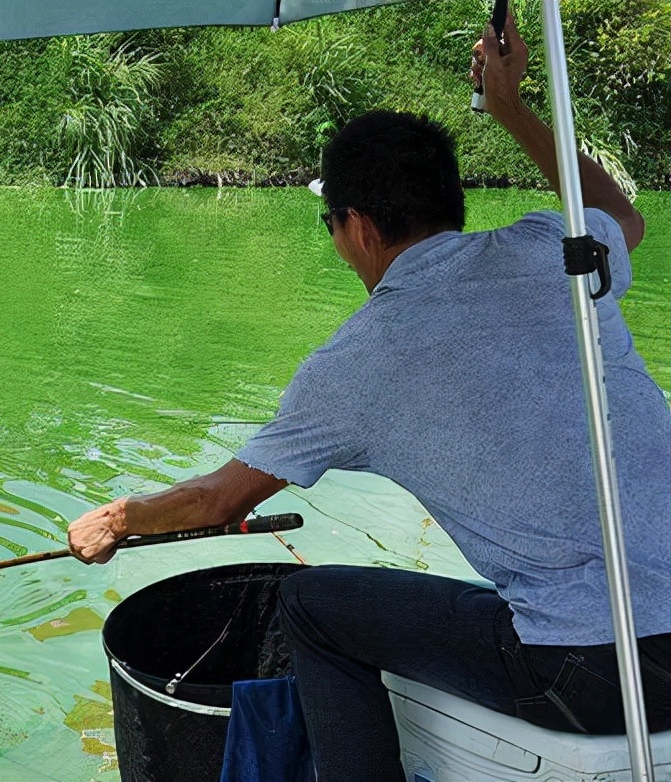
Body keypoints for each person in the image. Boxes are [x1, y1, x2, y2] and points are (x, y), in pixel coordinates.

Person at [67, 9, 671, 781]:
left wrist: (119, 518)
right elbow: (622, 214)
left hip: (593, 674)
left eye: (329, 224)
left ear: (354, 225)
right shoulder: (550, 253)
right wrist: (512, 106)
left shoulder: (357, 360)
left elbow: (219, 501)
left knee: (315, 610)